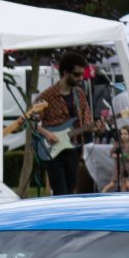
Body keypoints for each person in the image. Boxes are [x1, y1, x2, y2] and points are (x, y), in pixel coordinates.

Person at [29, 61, 97, 195]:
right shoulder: (47, 96)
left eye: (82, 75)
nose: (80, 78)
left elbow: (87, 120)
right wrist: (47, 133)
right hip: (54, 150)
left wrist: (96, 127)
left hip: (74, 149)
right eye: (77, 74)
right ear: (65, 73)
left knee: (71, 191)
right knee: (61, 192)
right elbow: (32, 122)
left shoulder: (80, 94)